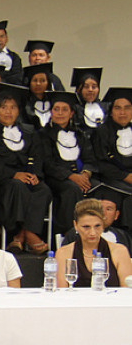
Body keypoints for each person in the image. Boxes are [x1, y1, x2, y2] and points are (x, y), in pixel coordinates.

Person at [0, 82, 52, 254]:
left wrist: (33, 174)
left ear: (19, 111)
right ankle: (27, 235)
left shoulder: (28, 132)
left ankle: (21, 236)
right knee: (18, 187)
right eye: (4, 107)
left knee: (43, 189)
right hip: (2, 181)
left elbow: (37, 156)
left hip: (26, 177)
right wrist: (14, 174)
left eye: (13, 107)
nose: (8, 111)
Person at [39, 90, 98, 237]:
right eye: (56, 109)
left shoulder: (80, 134)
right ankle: (69, 233)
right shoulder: (43, 135)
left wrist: (85, 174)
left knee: (101, 189)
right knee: (71, 189)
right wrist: (71, 176)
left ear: (71, 113)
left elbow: (90, 159)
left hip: (80, 177)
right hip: (56, 178)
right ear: (51, 112)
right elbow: (47, 163)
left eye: (64, 110)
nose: (60, 113)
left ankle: (97, 232)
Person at [55, 198, 131, 288]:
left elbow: (127, 292)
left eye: (97, 226)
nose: (92, 233)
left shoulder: (120, 251)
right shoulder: (64, 253)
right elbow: (61, 292)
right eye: (86, 227)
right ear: (76, 225)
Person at [92, 87, 132, 230]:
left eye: (127, 108)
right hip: (111, 181)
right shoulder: (102, 132)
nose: (123, 112)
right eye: (118, 108)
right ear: (111, 111)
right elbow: (101, 163)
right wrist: (126, 176)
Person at [62, 187, 131, 250]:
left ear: (116, 215)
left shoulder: (123, 236)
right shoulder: (76, 233)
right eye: (100, 208)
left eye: (108, 209)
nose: (103, 213)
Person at [72, 67, 106, 136]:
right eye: (86, 87)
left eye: (94, 87)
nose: (90, 90)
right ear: (79, 90)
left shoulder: (106, 108)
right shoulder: (74, 109)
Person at [22, 62, 55, 129]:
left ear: (48, 83)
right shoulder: (23, 103)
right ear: (29, 83)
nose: (38, 84)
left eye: (42, 80)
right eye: (35, 80)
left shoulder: (54, 102)